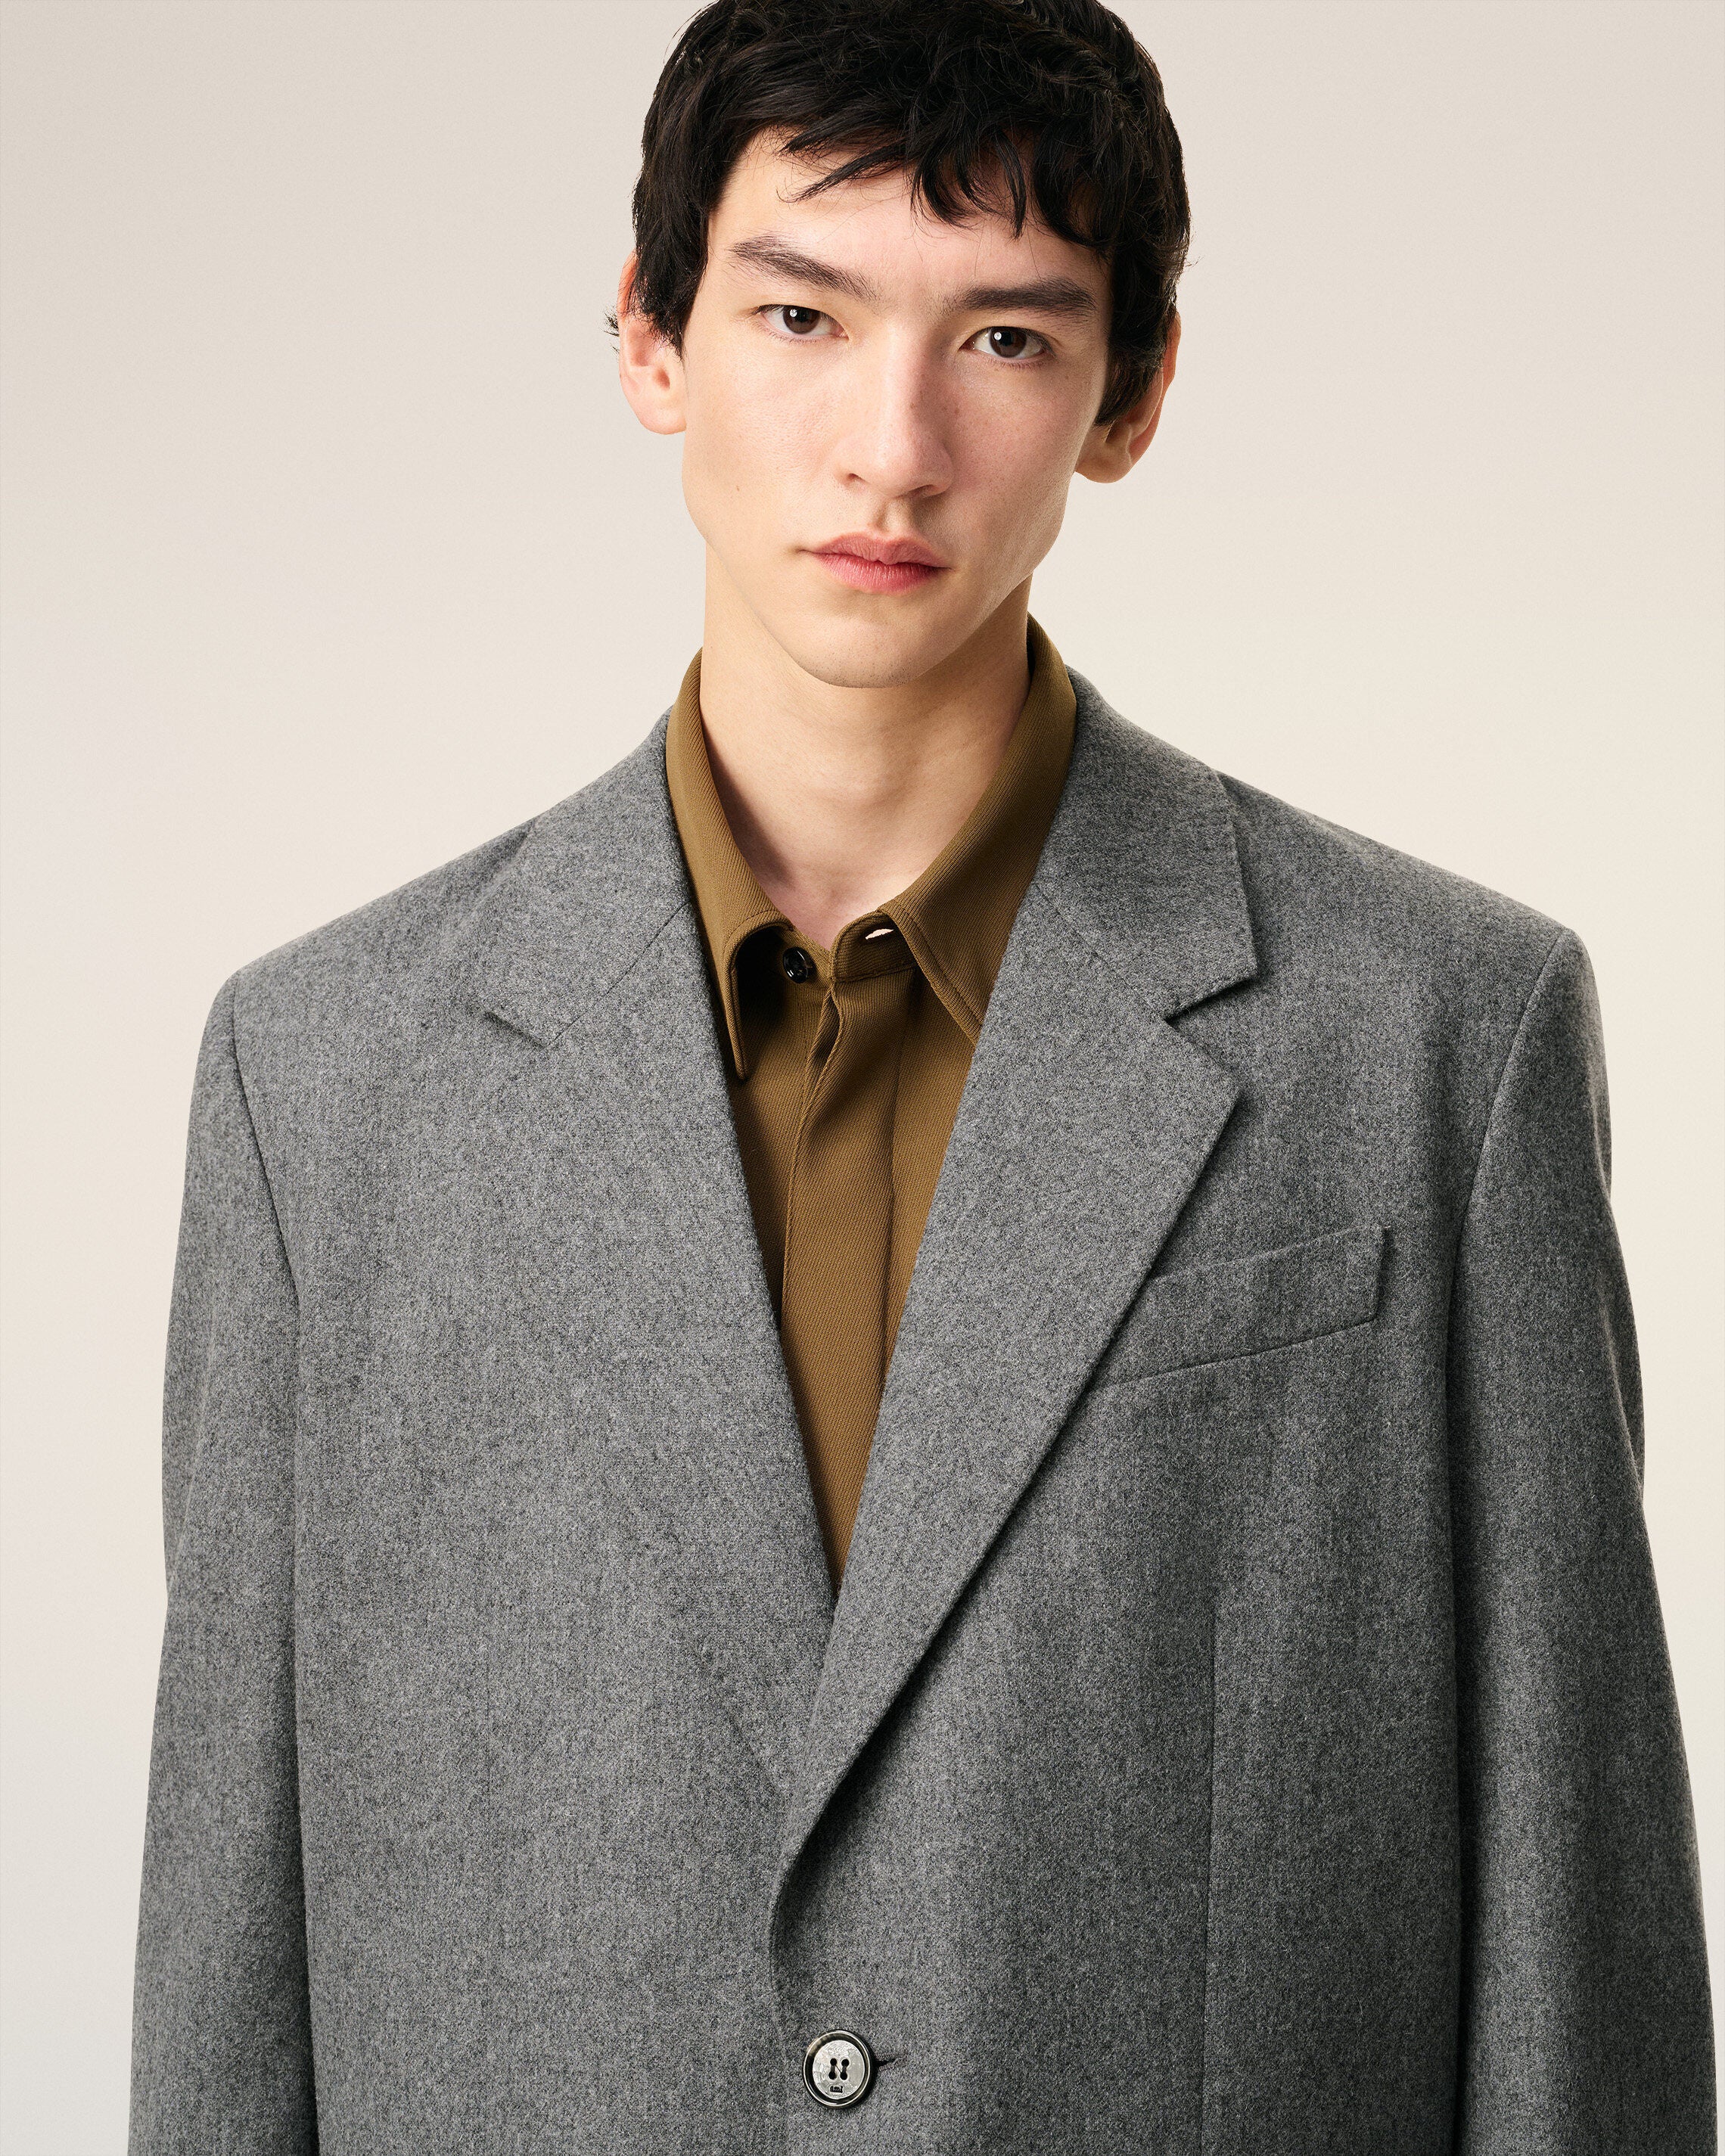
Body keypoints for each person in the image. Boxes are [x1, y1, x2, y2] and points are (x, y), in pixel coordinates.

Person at [128, 2, 1714, 2148]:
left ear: (1131, 395)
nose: (893, 447)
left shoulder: (1439, 1041)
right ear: (649, 338)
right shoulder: (321, 1090)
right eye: (800, 313)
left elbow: (1581, 1977)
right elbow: (229, 1983)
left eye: (1006, 339)